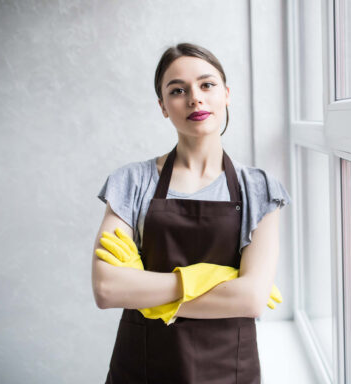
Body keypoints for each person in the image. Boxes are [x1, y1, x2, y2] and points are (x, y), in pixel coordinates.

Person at [91, 42, 290, 384]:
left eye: (206, 84)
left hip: (229, 370)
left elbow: (253, 298)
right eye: (178, 90)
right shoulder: (131, 181)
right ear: (163, 107)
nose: (195, 98)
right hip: (143, 367)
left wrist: (149, 297)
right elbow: (108, 289)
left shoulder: (259, 188)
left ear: (226, 94)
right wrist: (217, 279)